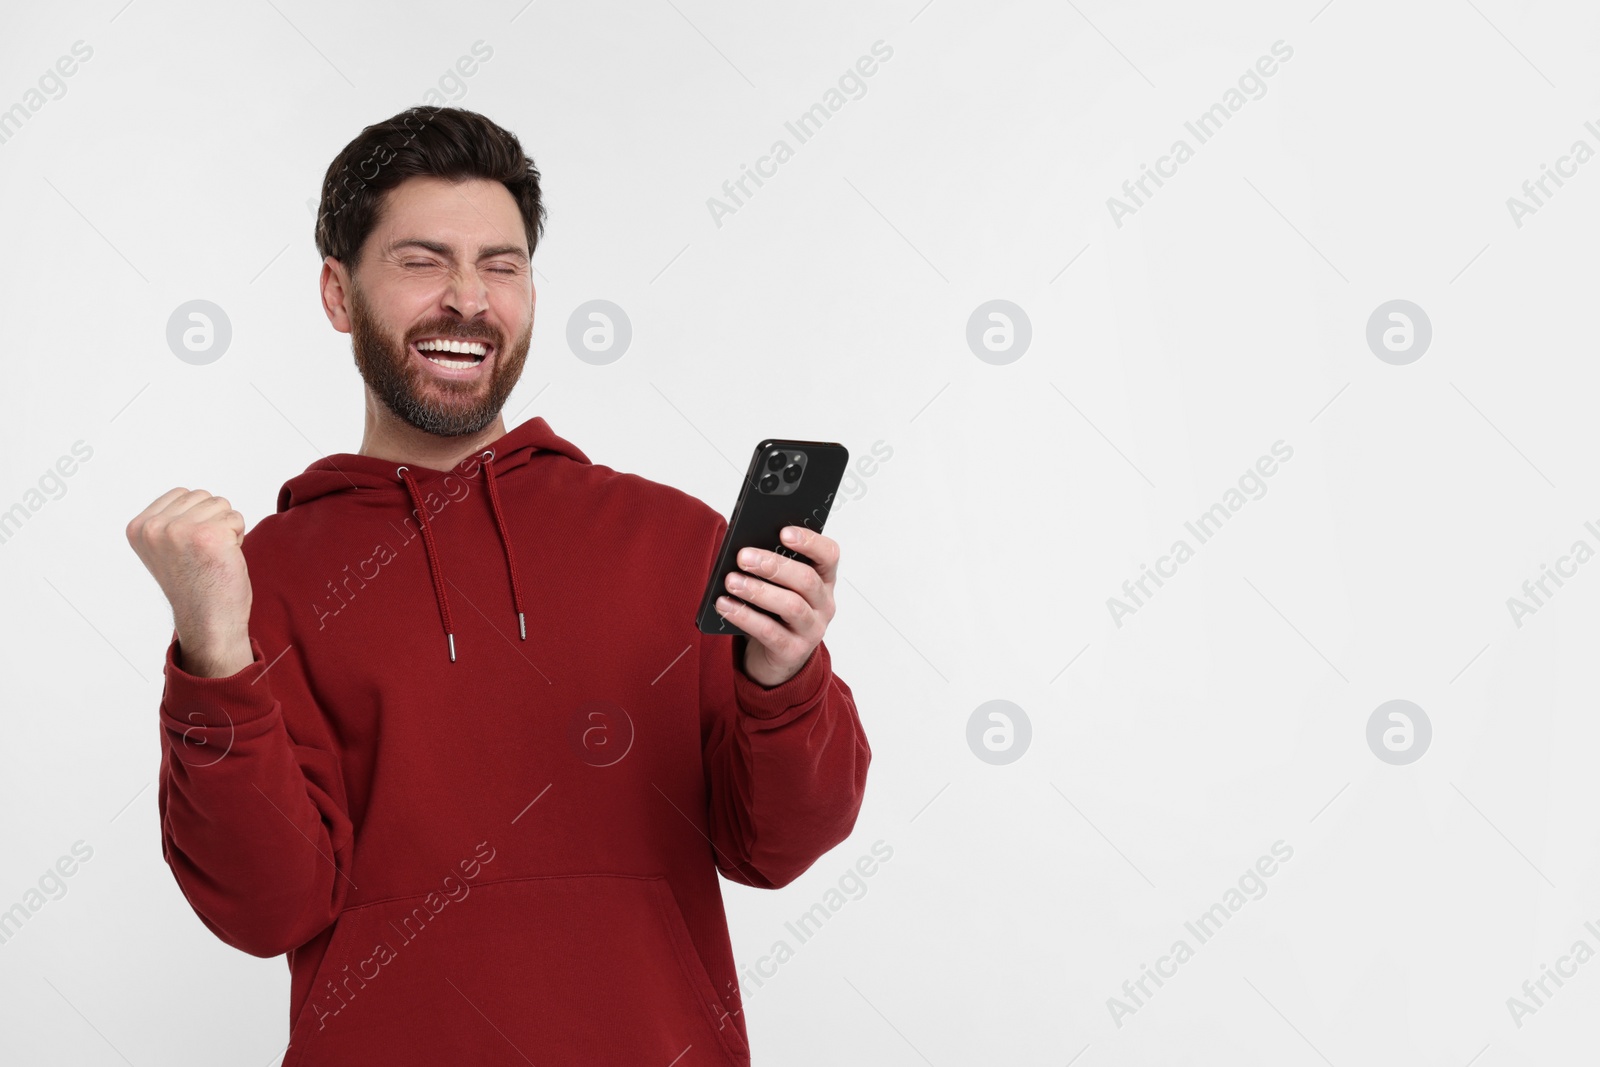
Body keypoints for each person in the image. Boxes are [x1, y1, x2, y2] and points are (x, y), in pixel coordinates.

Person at [124, 105, 870, 1066]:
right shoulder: (257, 578)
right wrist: (214, 655)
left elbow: (775, 845)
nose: (469, 300)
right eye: (422, 260)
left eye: (503, 265)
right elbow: (268, 907)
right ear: (338, 294)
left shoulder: (675, 538)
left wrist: (784, 677)